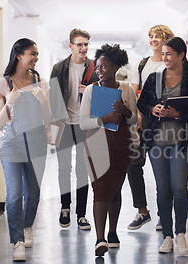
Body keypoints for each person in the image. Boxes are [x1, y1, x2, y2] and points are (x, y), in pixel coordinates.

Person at [137, 36, 188, 255]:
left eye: (169, 54)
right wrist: (152, 110)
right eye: (163, 54)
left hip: (181, 143)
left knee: (180, 189)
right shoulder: (154, 79)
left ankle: (181, 234)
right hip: (157, 142)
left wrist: (177, 114)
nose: (164, 57)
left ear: (181, 55)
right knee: (163, 189)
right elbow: (142, 103)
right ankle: (167, 235)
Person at [0, 38, 51, 262]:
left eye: (37, 54)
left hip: (36, 143)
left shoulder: (40, 82)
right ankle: (17, 240)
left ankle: (28, 227)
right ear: (19, 55)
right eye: (32, 54)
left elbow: (48, 117)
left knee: (33, 194)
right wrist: (9, 102)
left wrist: (43, 100)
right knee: (14, 194)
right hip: (12, 144)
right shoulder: (4, 83)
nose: (35, 58)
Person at [79, 44, 137, 256]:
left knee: (115, 189)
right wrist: (105, 119)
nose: (99, 70)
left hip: (121, 145)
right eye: (98, 67)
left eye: (104, 67)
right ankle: (100, 238)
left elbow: (132, 121)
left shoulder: (127, 89)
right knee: (101, 191)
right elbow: (83, 122)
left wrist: (126, 111)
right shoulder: (92, 90)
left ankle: (113, 232)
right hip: (96, 145)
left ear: (115, 67)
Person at [50, 29, 98, 230]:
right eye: (79, 44)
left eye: (86, 44)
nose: (83, 48)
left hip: (84, 124)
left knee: (82, 169)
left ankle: (81, 214)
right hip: (64, 124)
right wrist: (51, 128)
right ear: (70, 46)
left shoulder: (94, 68)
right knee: (64, 169)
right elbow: (53, 99)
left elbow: (103, 95)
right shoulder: (59, 68)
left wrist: (90, 92)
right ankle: (65, 208)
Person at [127, 25, 174, 231]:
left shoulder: (171, 63)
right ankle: (143, 211)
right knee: (133, 164)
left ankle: (164, 215)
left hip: (165, 124)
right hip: (144, 121)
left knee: (163, 172)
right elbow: (134, 91)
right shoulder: (143, 63)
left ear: (167, 40)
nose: (154, 40)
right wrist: (137, 116)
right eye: (152, 37)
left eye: (159, 37)